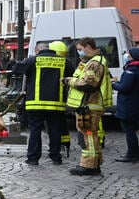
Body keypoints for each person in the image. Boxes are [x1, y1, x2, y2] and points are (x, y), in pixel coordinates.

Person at [12, 41, 71, 166]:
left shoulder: (33, 60)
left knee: (35, 130)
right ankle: (56, 157)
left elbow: (16, 69)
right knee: (55, 129)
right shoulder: (63, 61)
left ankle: (33, 158)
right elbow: (72, 75)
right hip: (56, 102)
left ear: (38, 51)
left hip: (35, 103)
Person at [63, 36, 112, 176]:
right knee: (90, 135)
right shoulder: (91, 61)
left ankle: (89, 166)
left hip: (90, 105)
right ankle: (93, 165)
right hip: (89, 105)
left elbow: (88, 84)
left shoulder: (94, 63)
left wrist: (69, 81)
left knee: (88, 136)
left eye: (80, 49)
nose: (79, 53)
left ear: (88, 47)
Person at [112, 47, 139, 162]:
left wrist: (114, 84)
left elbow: (125, 87)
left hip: (129, 105)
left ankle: (132, 154)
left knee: (129, 130)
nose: (126, 55)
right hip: (135, 104)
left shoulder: (131, 69)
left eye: (128, 54)